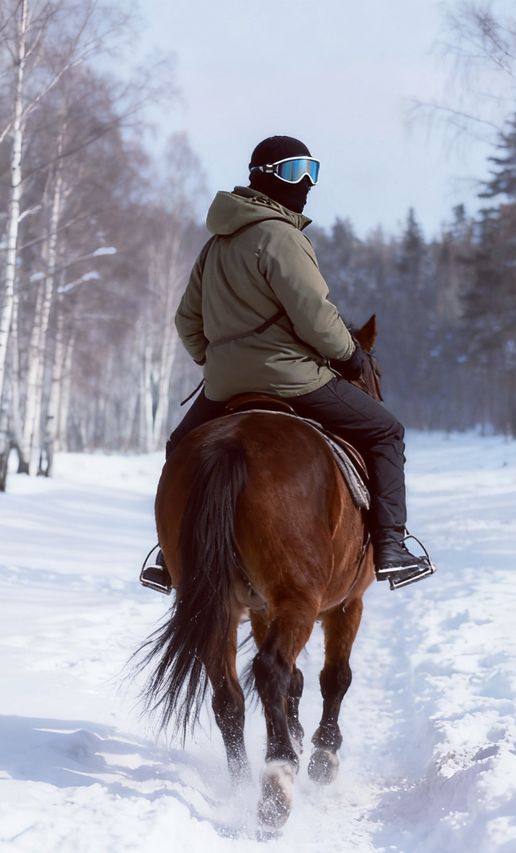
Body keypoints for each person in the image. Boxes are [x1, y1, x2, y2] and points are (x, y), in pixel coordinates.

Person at [141, 135, 436, 594]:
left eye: (312, 171)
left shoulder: (216, 244)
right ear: (267, 176)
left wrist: (216, 359)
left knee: (182, 446)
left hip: (223, 387)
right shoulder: (282, 237)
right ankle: (392, 547)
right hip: (294, 380)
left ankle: (168, 554)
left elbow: (186, 321)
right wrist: (351, 355)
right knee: (385, 431)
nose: (307, 184)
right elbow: (315, 314)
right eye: (298, 171)